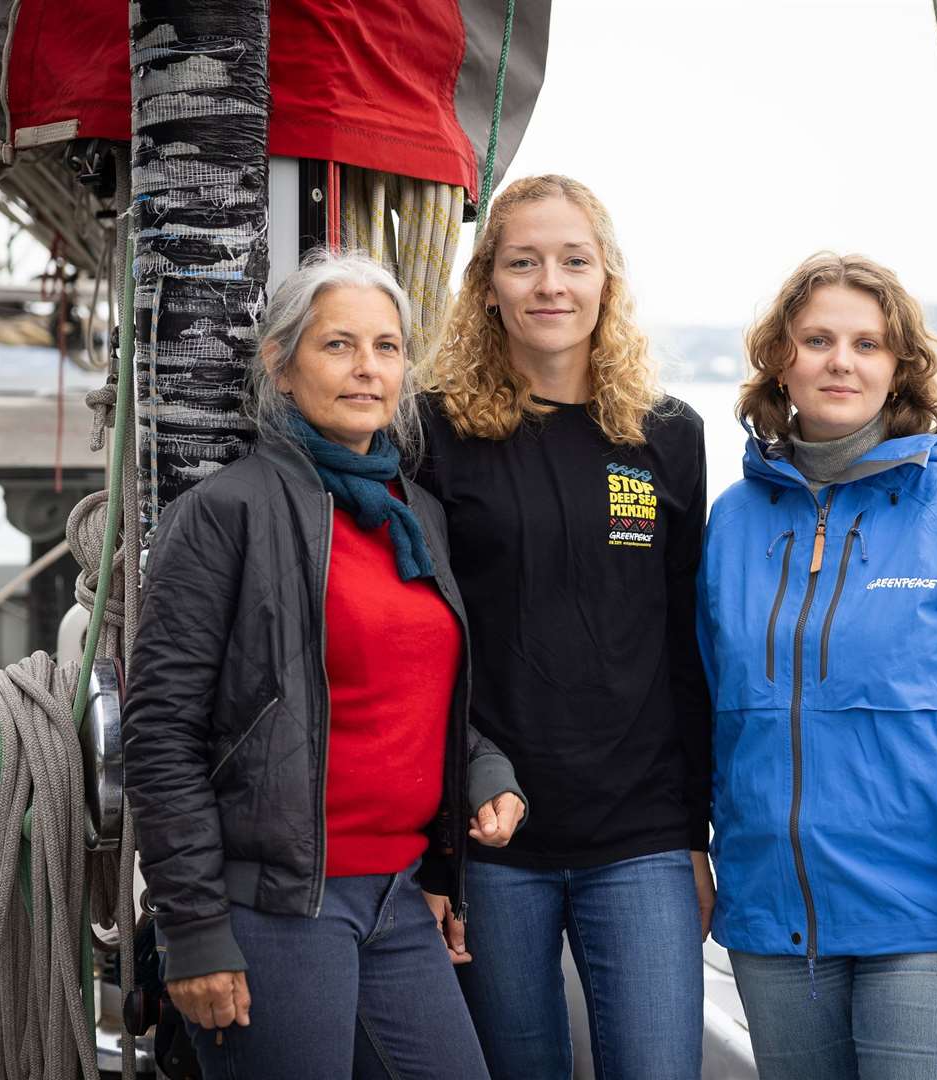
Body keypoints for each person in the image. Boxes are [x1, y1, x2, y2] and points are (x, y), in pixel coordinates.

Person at [124, 250, 527, 1080]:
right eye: (338, 345)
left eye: (386, 348)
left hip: (396, 893)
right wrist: (194, 930)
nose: (366, 369)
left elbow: (424, 690)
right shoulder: (224, 512)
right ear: (280, 363)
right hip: (273, 908)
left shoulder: (414, 515)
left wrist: (484, 771)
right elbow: (160, 734)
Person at [697, 253, 937, 1080]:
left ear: (898, 368)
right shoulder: (730, 520)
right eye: (818, 339)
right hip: (773, 915)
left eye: (866, 344)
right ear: (780, 361)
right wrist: (693, 845)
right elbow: (697, 702)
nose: (841, 360)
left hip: (930, 914)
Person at [413, 174, 712, 1079]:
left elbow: (686, 648)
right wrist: (436, 852)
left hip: (643, 837)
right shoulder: (431, 433)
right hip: (493, 839)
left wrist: (698, 835)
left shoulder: (666, 435)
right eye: (523, 262)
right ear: (487, 286)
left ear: (606, 280)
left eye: (573, 261)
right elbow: (416, 651)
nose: (551, 284)